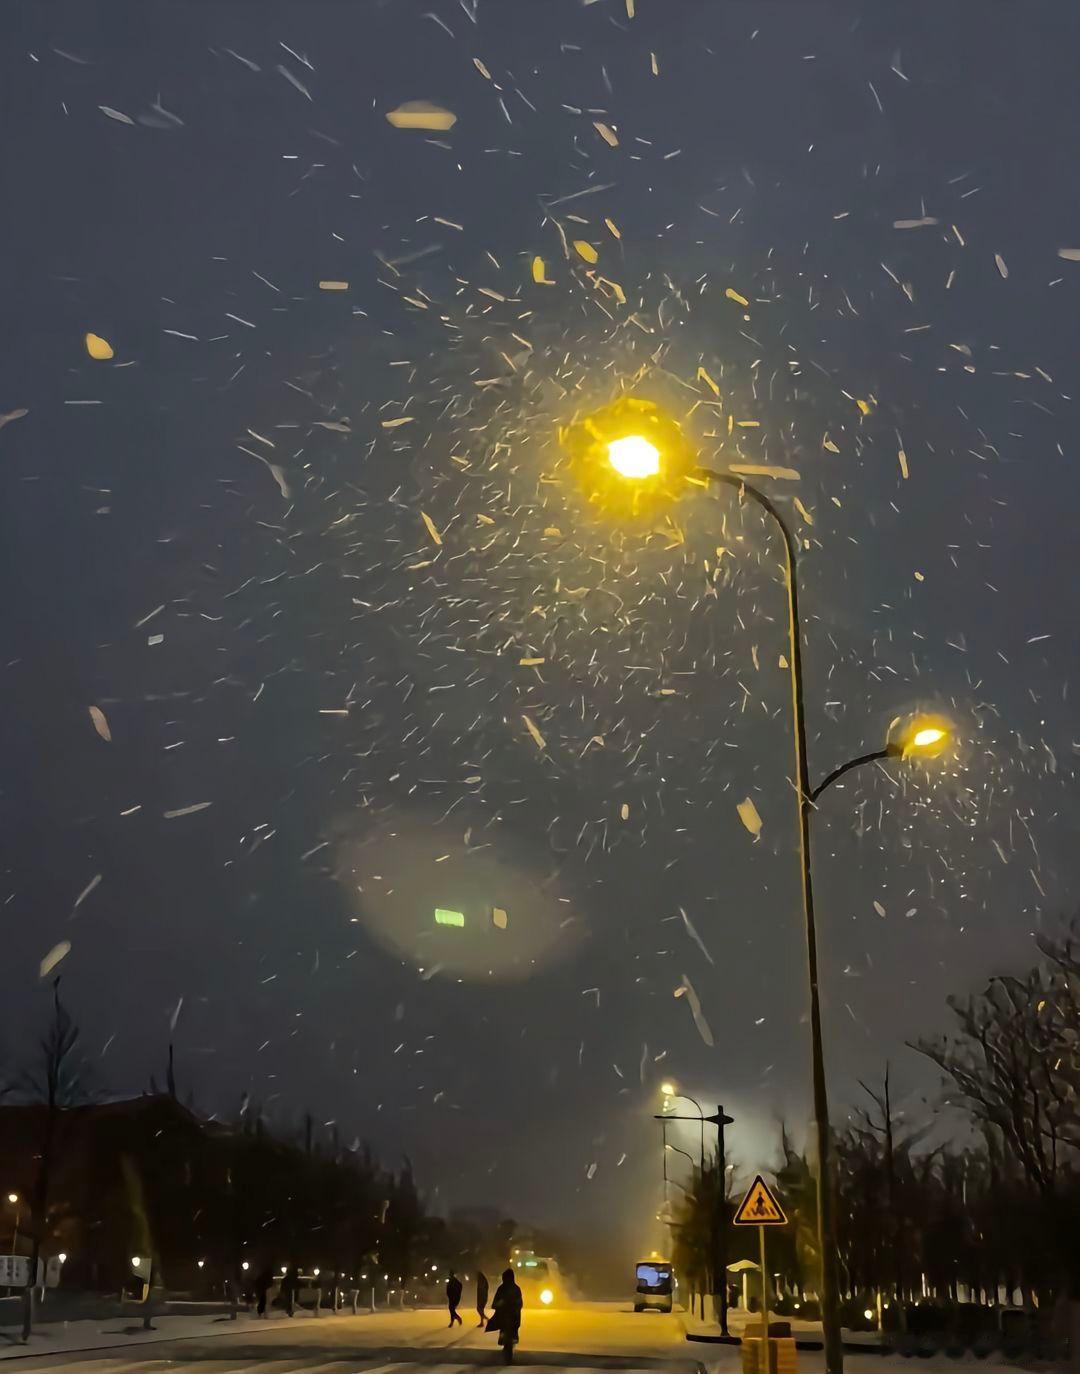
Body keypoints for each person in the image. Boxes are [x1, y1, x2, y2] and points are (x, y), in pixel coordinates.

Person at [487, 1267, 524, 1351]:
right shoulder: (513, 1288)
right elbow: (496, 1301)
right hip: (506, 1314)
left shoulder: (508, 1288)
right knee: (505, 1324)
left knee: (514, 1325)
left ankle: (512, 1337)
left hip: (512, 1314)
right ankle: (505, 1337)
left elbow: (519, 1302)